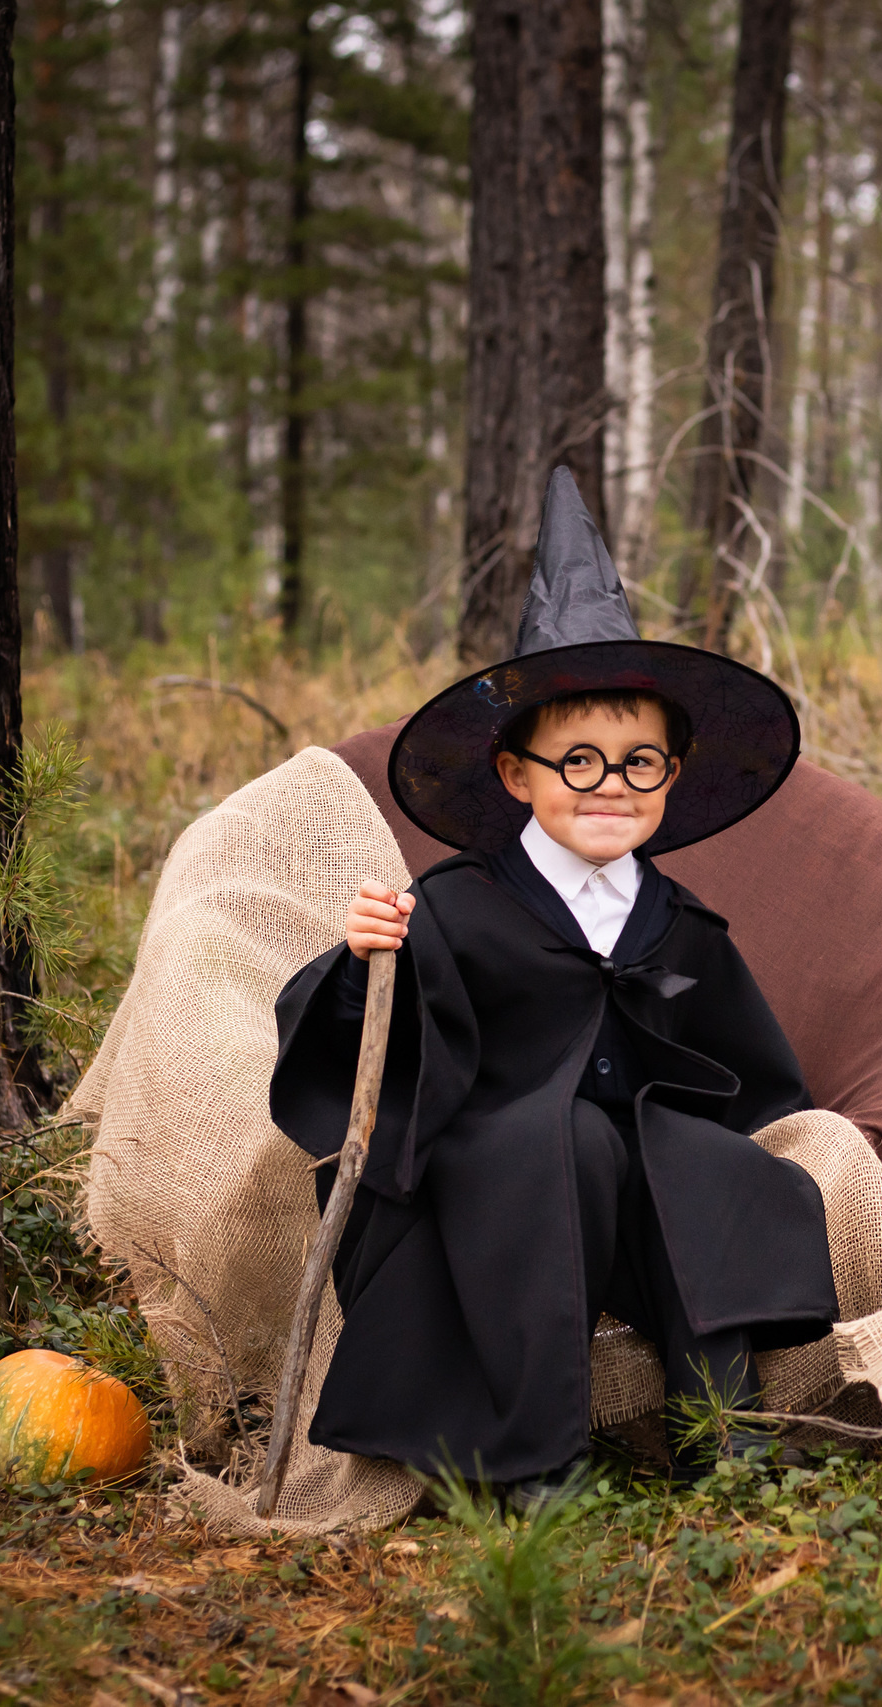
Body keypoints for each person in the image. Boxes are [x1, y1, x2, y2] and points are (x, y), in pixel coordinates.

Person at [269, 467, 836, 1499]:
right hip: (495, 1178)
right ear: (515, 773)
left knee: (699, 1157)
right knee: (564, 1138)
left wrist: (721, 1141)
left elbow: (752, 1079)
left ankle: (717, 1416)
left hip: (635, 1190)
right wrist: (360, 966)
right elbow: (372, 1059)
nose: (608, 788)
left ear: (675, 774)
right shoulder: (454, 906)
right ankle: (534, 1452)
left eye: (638, 764)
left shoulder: (683, 925)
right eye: (576, 762)